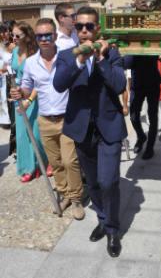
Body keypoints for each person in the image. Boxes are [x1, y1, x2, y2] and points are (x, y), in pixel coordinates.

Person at [53, 6, 127, 258]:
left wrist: (101, 59)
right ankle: (104, 219)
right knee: (93, 182)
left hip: (109, 127)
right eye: (80, 27)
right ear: (75, 29)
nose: (84, 31)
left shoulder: (112, 53)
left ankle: (114, 230)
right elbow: (59, 84)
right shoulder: (66, 55)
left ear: (97, 29)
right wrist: (79, 60)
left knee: (109, 181)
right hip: (83, 129)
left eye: (90, 26)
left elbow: (119, 84)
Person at [15, 18, 85, 219]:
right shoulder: (30, 62)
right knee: (55, 162)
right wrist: (20, 92)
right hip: (45, 119)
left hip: (67, 118)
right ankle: (63, 194)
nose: (44, 39)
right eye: (40, 36)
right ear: (35, 38)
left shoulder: (66, 58)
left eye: (48, 35)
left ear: (55, 36)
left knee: (70, 160)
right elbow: (28, 86)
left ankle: (77, 198)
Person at [11, 22, 47, 183]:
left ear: (27, 36)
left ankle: (42, 163)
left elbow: (38, 82)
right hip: (18, 97)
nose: (14, 38)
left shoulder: (35, 55)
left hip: (32, 97)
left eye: (18, 35)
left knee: (35, 134)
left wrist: (29, 100)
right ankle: (28, 168)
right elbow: (13, 74)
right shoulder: (14, 51)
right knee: (21, 135)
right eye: (13, 34)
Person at [123, 55, 161, 159]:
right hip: (137, 85)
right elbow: (127, 64)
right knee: (133, 116)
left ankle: (150, 147)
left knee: (153, 116)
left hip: (152, 83)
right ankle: (141, 136)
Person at [3, 20, 16, 157]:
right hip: (3, 82)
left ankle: (15, 146)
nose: (6, 33)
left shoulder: (15, 46)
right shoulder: (2, 46)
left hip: (12, 81)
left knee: (14, 114)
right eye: (4, 31)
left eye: (8, 31)